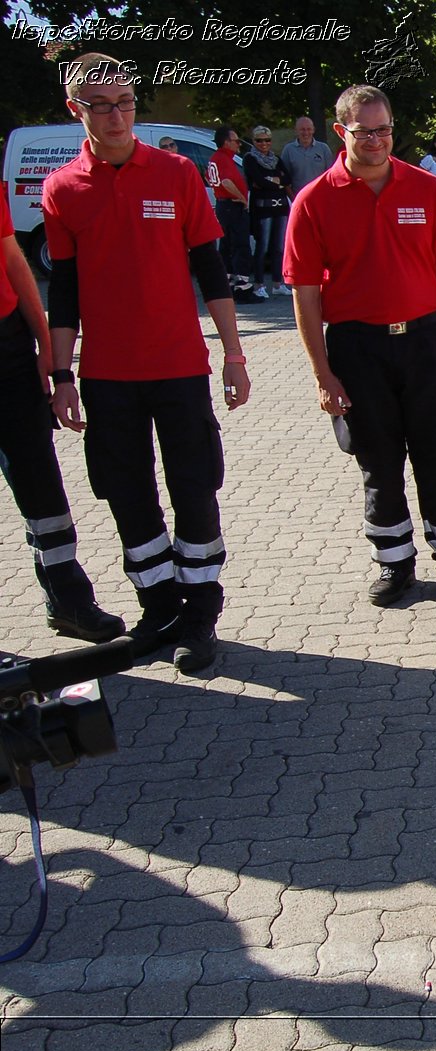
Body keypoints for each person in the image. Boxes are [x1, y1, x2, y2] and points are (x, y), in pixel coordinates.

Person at [44, 52, 251, 673]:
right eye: (101, 104)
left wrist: (234, 354)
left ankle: (199, 613)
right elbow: (64, 292)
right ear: (75, 109)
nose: (116, 116)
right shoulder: (62, 189)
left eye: (126, 102)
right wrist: (60, 377)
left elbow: (210, 268)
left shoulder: (176, 173)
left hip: (180, 367)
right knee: (126, 493)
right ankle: (158, 604)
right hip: (107, 375)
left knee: (194, 487)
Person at [284, 83, 436, 608]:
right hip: (357, 348)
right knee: (378, 460)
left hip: (423, 342)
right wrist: (323, 374)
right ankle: (395, 564)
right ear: (340, 131)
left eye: (385, 129)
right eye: (365, 131)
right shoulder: (314, 202)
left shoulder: (425, 189)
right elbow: (305, 295)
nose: (376, 140)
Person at [0, 187, 123, 644]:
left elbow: (12, 260)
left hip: (7, 348)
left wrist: (45, 348)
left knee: (38, 478)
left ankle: (69, 601)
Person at [242, 126, 292, 298]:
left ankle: (278, 283)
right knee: (261, 247)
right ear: (254, 141)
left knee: (279, 247)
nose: (264, 144)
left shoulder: (276, 159)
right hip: (262, 209)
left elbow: (287, 179)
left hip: (280, 207)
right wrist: (275, 181)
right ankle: (259, 284)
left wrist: (271, 180)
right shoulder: (250, 159)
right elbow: (257, 181)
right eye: (259, 140)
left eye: (267, 140)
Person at [207, 127, 252, 288]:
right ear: (226, 142)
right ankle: (242, 281)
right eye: (236, 141)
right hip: (231, 205)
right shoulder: (223, 158)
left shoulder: (216, 158)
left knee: (226, 243)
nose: (238, 144)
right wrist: (241, 198)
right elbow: (226, 182)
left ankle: (227, 276)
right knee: (239, 243)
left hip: (223, 205)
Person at [280, 115, 333, 196]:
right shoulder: (288, 150)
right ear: (296, 131)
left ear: (313, 130)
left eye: (309, 129)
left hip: (321, 196)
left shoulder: (323, 148)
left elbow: (331, 175)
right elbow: (284, 179)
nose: (306, 133)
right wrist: (292, 199)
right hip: (298, 197)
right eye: (302, 129)